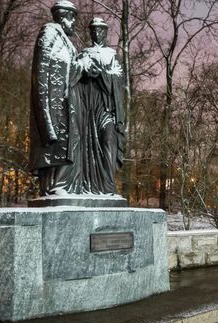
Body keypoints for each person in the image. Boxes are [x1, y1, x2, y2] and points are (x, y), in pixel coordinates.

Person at [29, 0, 84, 195]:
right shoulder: (49, 33)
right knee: (53, 147)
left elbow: (72, 71)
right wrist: (44, 114)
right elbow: (41, 72)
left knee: (67, 145)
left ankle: (60, 186)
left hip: (65, 103)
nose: (74, 25)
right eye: (72, 19)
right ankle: (51, 188)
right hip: (53, 103)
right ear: (65, 17)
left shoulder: (66, 42)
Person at [76, 18, 125, 194]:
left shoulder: (112, 55)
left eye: (100, 31)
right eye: (94, 31)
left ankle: (108, 185)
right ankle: (89, 185)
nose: (97, 34)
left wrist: (101, 74)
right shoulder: (84, 54)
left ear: (105, 32)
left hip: (106, 108)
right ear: (90, 33)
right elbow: (75, 78)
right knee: (87, 146)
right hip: (88, 108)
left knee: (108, 139)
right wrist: (86, 72)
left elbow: (119, 80)